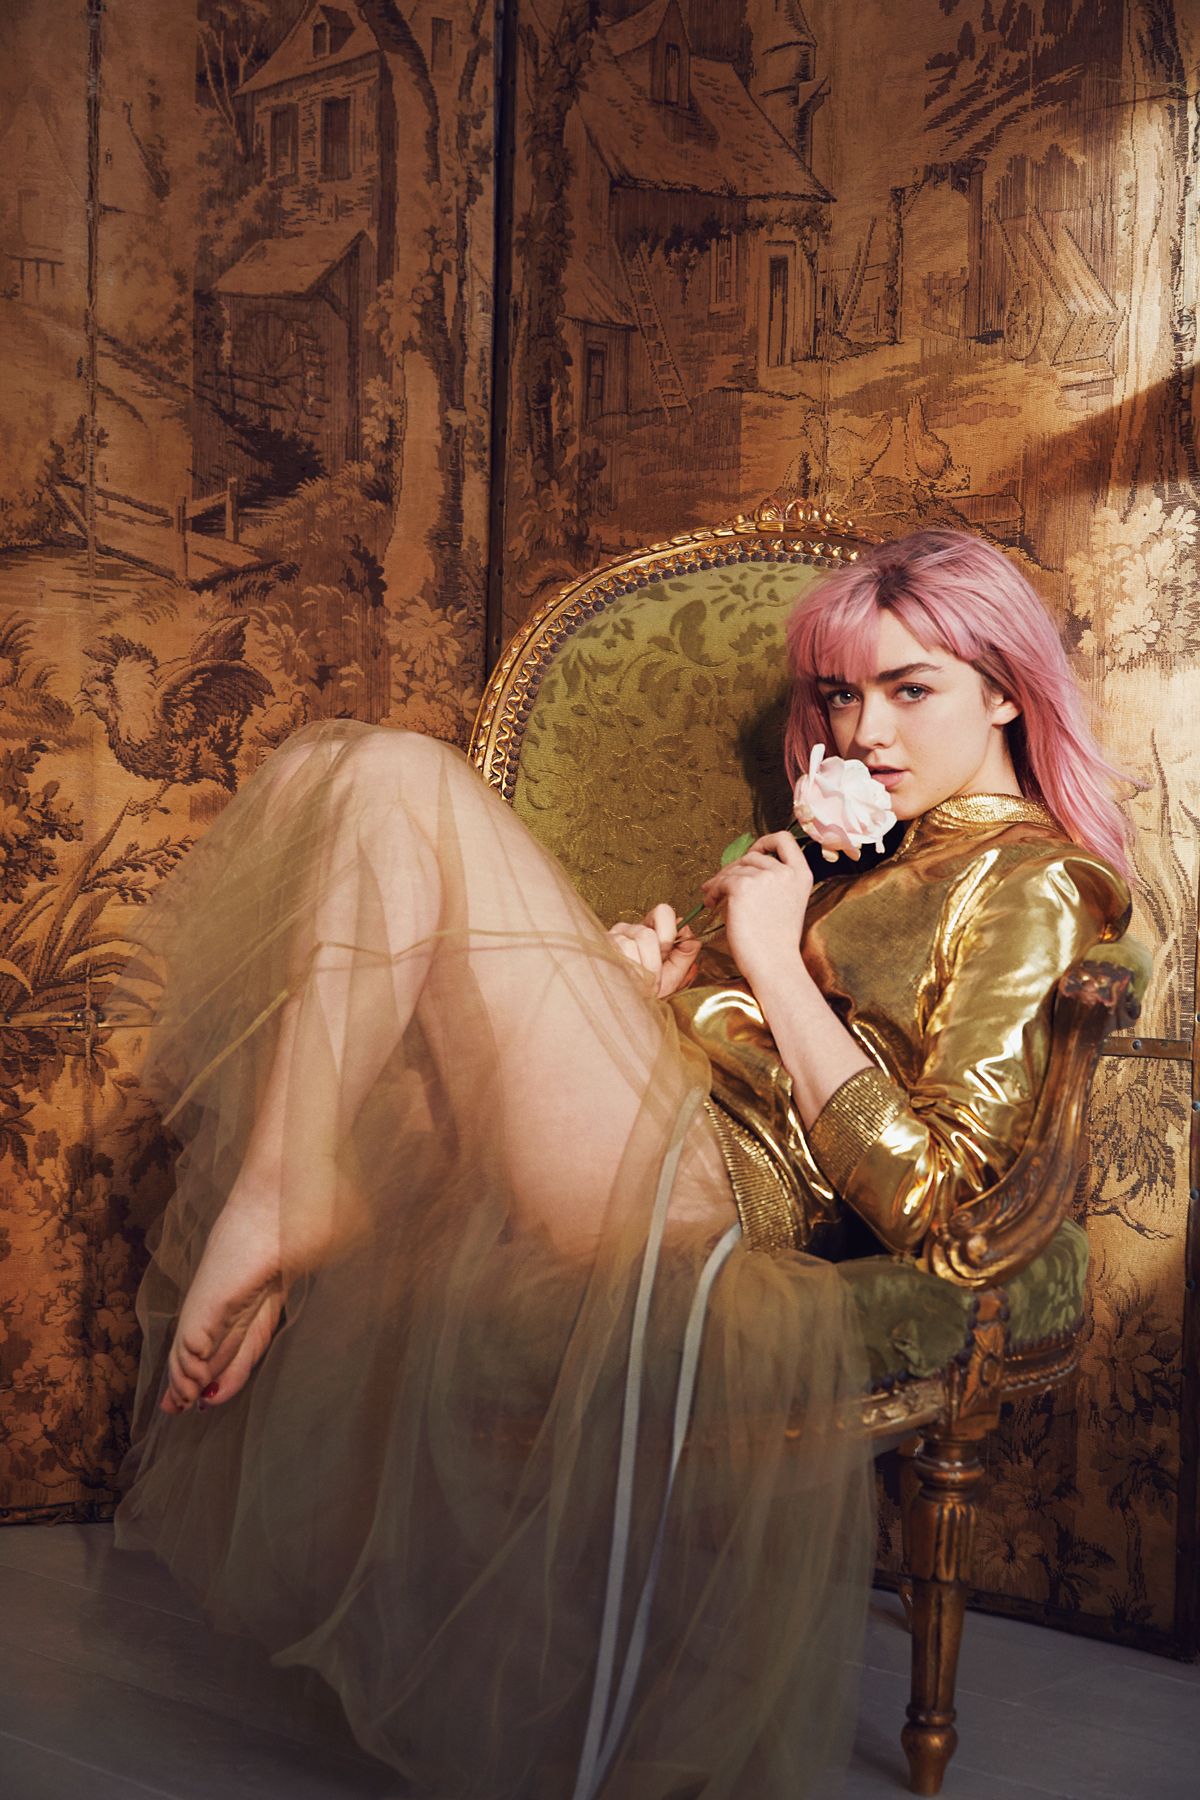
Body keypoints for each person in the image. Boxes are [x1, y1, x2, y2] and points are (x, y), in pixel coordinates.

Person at [112, 529, 1131, 1799]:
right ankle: (299, 1190)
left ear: (1006, 693)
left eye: (910, 688)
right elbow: (772, 1051)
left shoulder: (1034, 879)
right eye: (841, 695)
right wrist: (654, 1003)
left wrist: (769, 961)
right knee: (356, 820)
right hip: (672, 1118)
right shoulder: (864, 854)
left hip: (728, 1187)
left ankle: (287, 1192)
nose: (864, 731)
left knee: (390, 778)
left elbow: (943, 1201)